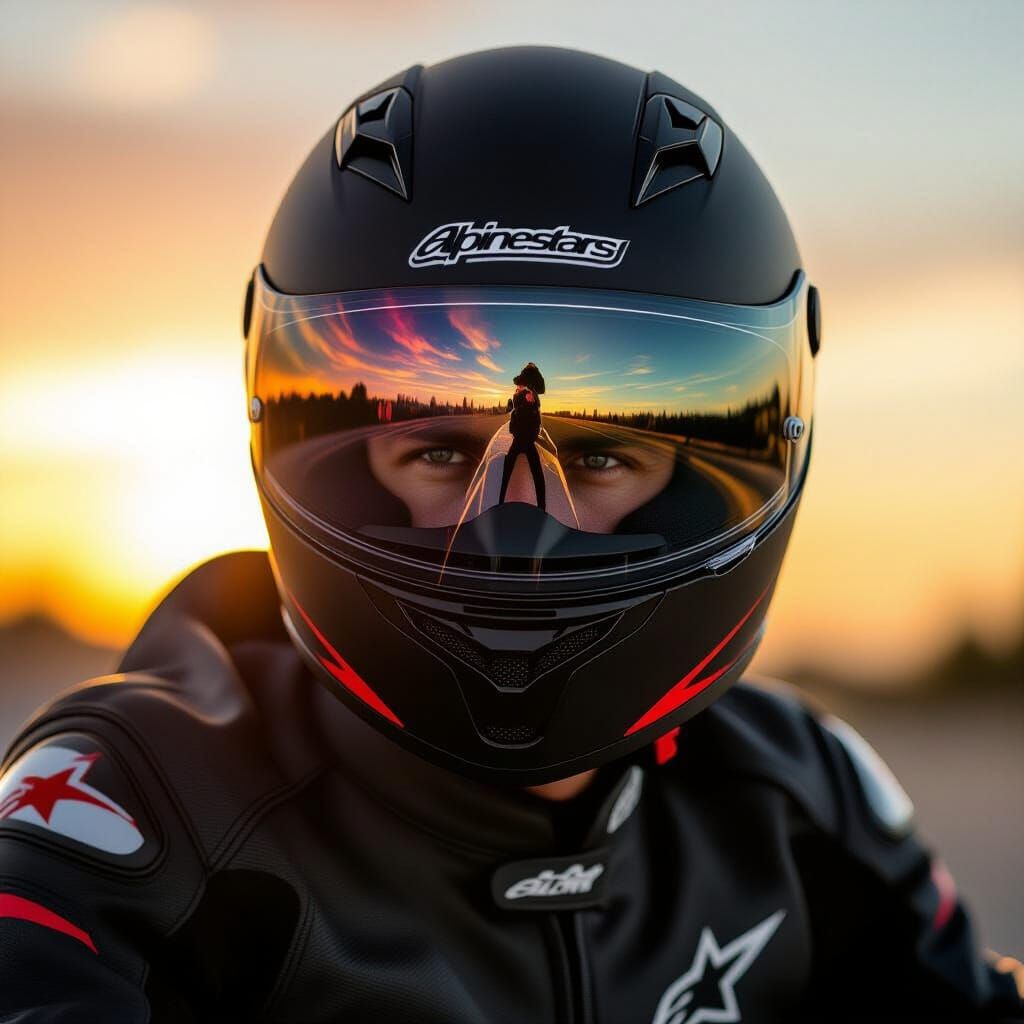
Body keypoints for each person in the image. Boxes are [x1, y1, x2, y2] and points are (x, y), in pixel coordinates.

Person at [1, 47, 1021, 1023]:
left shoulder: (798, 800)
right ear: (331, 452)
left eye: (606, 456)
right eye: (441, 452)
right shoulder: (135, 814)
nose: (517, 534)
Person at [498, 362, 547, 510]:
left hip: (522, 439)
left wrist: (528, 395)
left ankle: (501, 502)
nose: (517, 387)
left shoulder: (528, 393)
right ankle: (542, 508)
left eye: (519, 386)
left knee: (509, 471)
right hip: (524, 439)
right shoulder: (524, 393)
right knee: (535, 473)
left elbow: (534, 399)